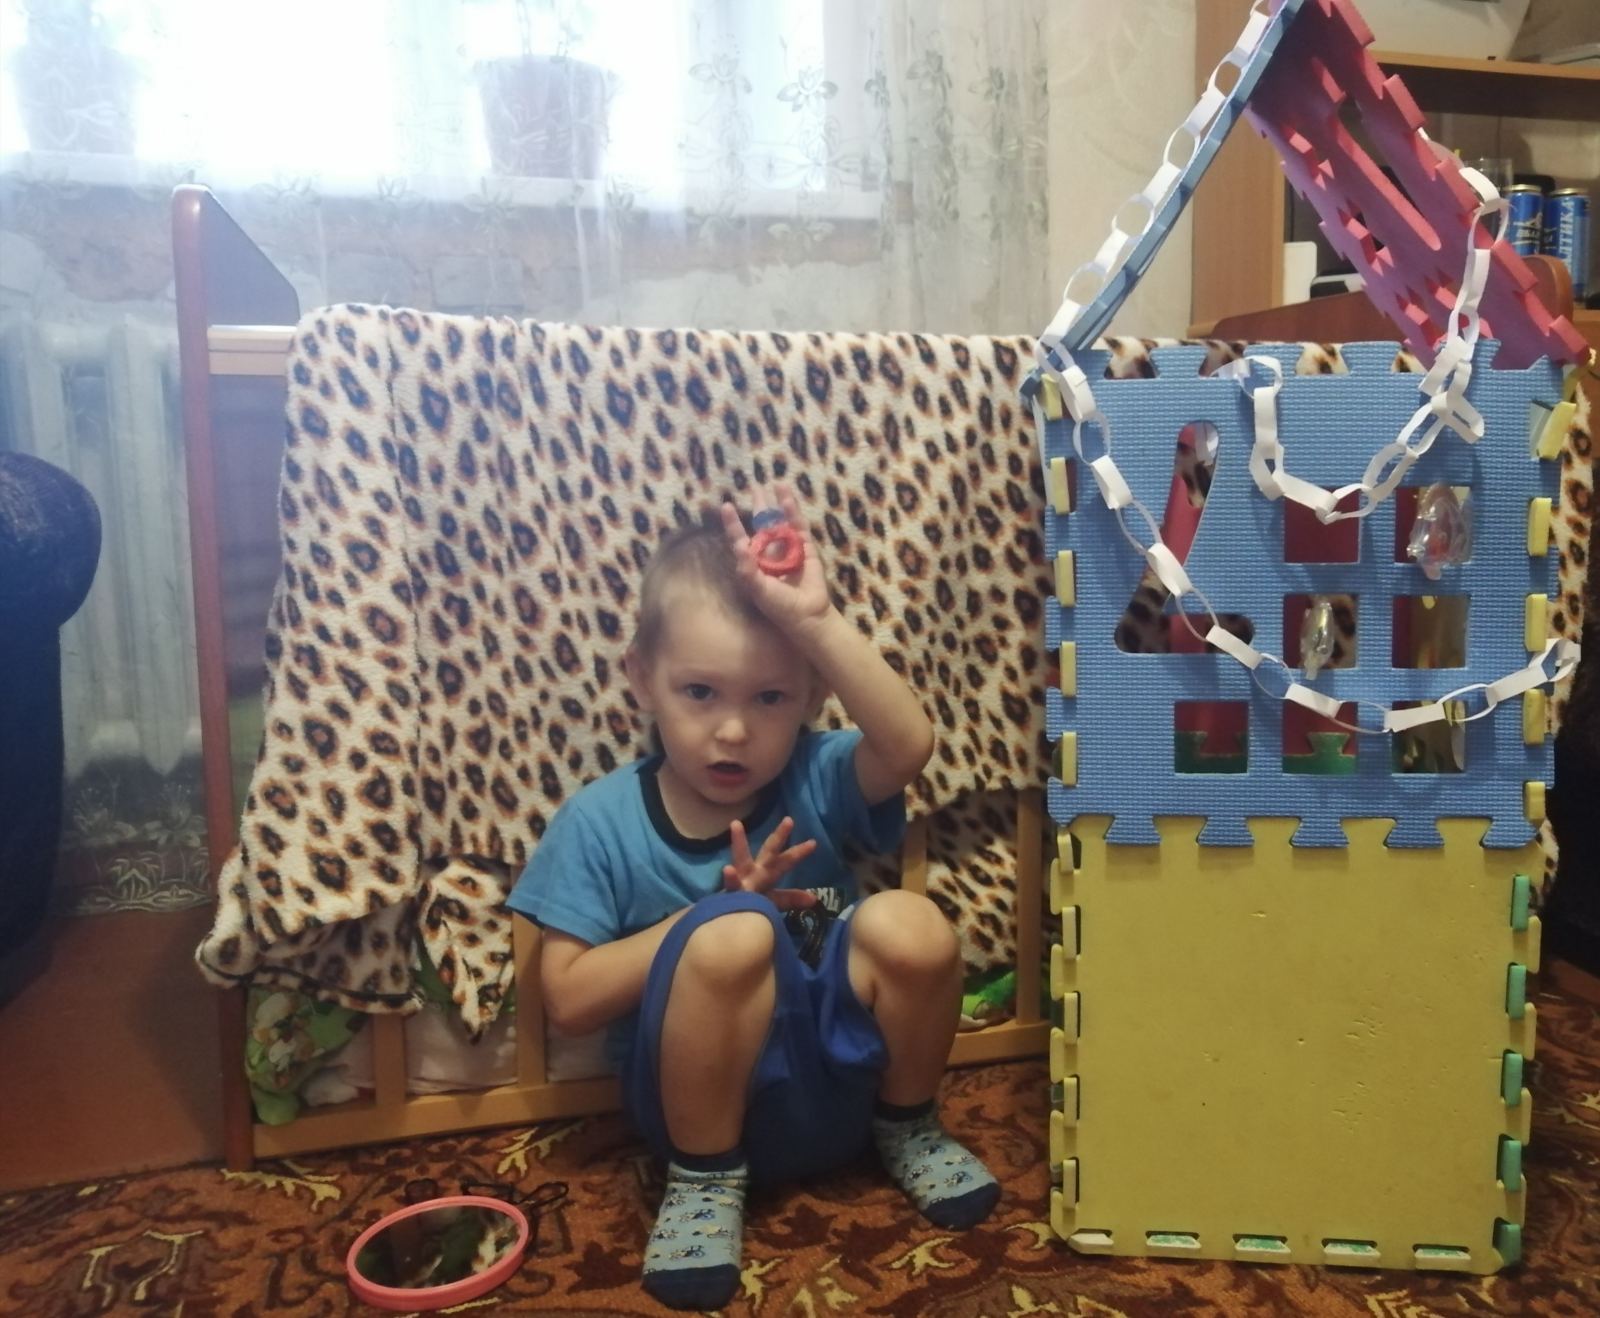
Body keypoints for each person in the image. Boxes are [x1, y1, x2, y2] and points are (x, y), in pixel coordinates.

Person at [507, 484, 999, 1311]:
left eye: (769, 698)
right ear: (643, 680)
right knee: (732, 933)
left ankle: (911, 1127)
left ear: (809, 699)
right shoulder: (599, 820)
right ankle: (704, 1185)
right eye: (700, 693)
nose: (733, 730)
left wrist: (816, 623)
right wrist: (713, 914)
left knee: (911, 923)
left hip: (844, 1091)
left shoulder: (813, 771)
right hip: (701, 1117)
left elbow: (909, 744)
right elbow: (569, 999)